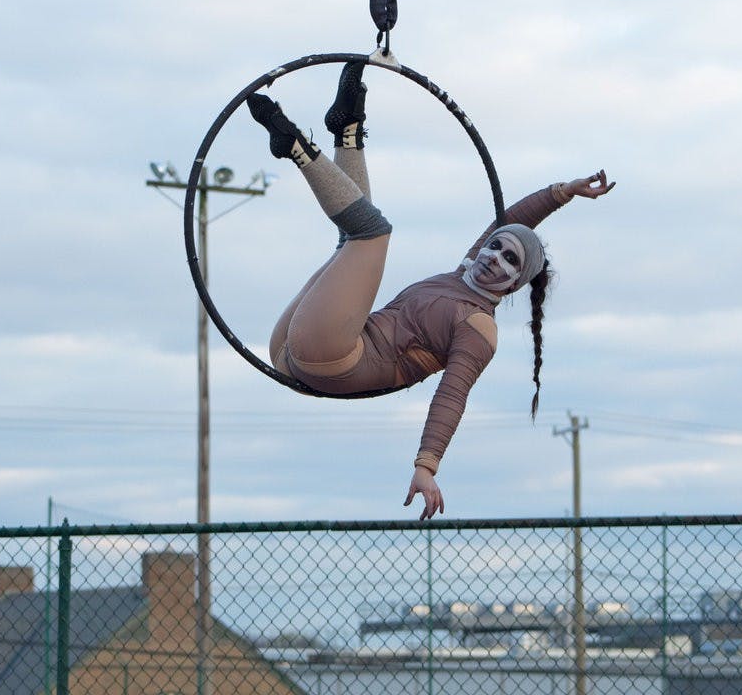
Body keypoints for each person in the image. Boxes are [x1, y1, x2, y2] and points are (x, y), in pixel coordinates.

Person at [246, 62, 613, 519]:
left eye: (510, 261)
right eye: (495, 246)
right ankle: (347, 131)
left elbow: (451, 396)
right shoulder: (465, 274)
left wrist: (427, 466)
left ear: (515, 284)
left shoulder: (479, 327)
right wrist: (563, 191)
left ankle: (297, 148)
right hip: (289, 351)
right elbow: (515, 220)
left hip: (331, 356)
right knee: (353, 239)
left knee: (371, 233)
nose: (494, 257)